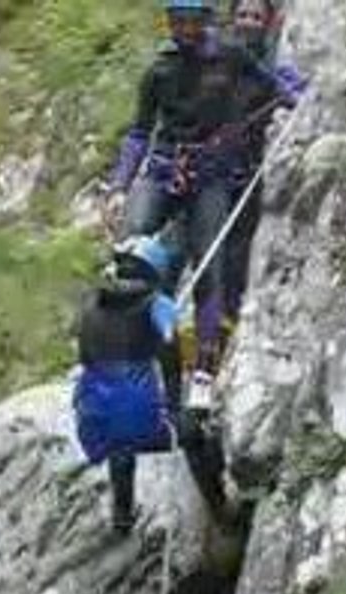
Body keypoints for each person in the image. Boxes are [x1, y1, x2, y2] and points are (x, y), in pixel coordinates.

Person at [104, 0, 305, 411]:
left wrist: (298, 96)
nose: (185, 30)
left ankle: (204, 369)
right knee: (129, 256)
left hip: (210, 179)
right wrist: (119, 186)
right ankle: (155, 356)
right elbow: (140, 132)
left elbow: (271, 86)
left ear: (206, 21)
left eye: (192, 21)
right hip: (163, 171)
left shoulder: (231, 55)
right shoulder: (159, 70)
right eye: (178, 22)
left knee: (208, 268)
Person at [72, 230, 234, 535]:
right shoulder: (157, 305)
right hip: (137, 422)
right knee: (195, 435)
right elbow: (171, 358)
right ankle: (220, 509)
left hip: (92, 421)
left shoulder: (89, 304)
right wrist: (178, 408)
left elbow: (86, 357)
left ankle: (122, 518)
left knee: (120, 443)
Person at [224, 0, 307, 322]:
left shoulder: (272, 67)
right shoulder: (215, 61)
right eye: (242, 15)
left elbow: (298, 92)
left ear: (269, 23)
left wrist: (291, 93)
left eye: (256, 17)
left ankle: (227, 319)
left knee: (236, 249)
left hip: (247, 170)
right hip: (208, 173)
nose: (248, 22)